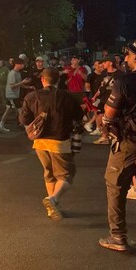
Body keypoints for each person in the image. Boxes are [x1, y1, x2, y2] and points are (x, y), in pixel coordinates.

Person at [19, 68, 83, 221]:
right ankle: (53, 200)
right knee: (67, 175)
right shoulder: (66, 96)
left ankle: (53, 208)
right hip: (59, 141)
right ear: (58, 80)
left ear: (43, 80)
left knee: (49, 174)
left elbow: (23, 120)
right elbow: (79, 115)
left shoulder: (31, 96)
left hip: (39, 141)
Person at [98, 40, 136, 252]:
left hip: (130, 141)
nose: (127, 59)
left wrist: (107, 127)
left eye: (130, 56)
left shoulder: (125, 82)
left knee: (115, 184)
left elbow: (110, 114)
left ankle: (118, 237)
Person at [0, 58, 32, 132]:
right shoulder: (12, 73)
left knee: (8, 111)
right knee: (20, 110)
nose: (23, 66)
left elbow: (19, 85)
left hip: (13, 95)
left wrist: (28, 86)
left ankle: (0, 125)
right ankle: (26, 127)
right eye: (22, 64)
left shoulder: (18, 73)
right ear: (17, 65)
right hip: (12, 95)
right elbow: (12, 86)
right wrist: (23, 82)